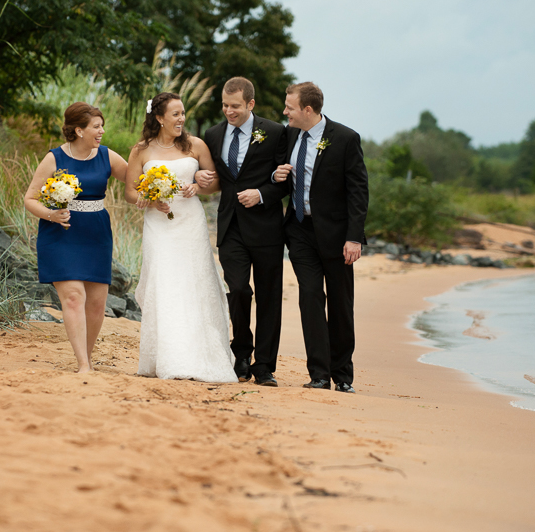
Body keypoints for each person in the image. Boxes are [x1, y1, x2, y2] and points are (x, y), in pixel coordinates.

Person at [125, 92, 237, 383]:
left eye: (183, 113)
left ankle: (199, 356)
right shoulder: (141, 150)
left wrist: (199, 187)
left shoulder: (195, 145)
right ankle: (166, 357)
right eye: (175, 114)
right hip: (158, 227)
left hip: (189, 224)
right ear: (159, 118)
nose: (182, 119)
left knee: (193, 283)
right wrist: (150, 200)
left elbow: (214, 184)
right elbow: (130, 192)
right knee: (164, 285)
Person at [273, 82, 368, 392]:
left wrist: (355, 237)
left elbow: (358, 191)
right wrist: (276, 176)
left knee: (341, 304)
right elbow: (279, 175)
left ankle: (342, 376)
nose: (284, 112)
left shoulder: (345, 138)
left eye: (289, 107)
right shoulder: (288, 135)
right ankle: (318, 374)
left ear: (308, 110)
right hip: (299, 230)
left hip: (337, 236)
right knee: (310, 296)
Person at [24, 102, 128, 374]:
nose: (102, 131)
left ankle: (87, 357)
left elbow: (136, 179)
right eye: (96, 126)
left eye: (101, 125)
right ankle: (83, 364)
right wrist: (51, 215)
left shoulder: (107, 156)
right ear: (79, 130)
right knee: (73, 296)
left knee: (96, 304)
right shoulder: (54, 158)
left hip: (96, 234)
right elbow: (30, 199)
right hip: (61, 232)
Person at [199, 77, 288, 386]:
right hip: (231, 227)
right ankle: (241, 352)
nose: (229, 111)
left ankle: (264, 367)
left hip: (267, 228)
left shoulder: (276, 132)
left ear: (250, 104)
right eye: (225, 105)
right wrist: (199, 174)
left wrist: (261, 194)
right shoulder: (213, 134)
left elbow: (286, 180)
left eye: (235, 106)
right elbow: (209, 176)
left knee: (268, 297)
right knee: (238, 289)